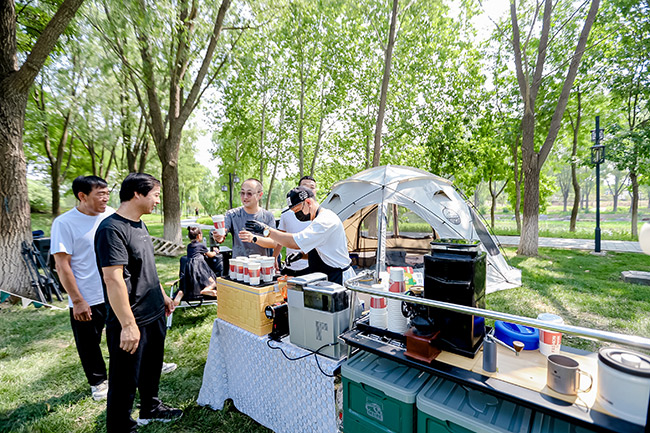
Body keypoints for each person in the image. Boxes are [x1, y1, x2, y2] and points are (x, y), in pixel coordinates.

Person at [94, 173, 182, 432]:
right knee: (123, 381)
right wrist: (128, 325)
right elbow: (113, 279)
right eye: (155, 194)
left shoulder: (139, 224)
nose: (157, 200)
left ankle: (150, 407)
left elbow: (146, 269)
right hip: (131, 319)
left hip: (154, 312)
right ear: (137, 194)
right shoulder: (111, 229)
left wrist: (163, 297)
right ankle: (121, 427)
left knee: (152, 368)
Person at [51, 175, 113, 401]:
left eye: (107, 193)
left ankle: (142, 365)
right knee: (89, 343)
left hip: (114, 290)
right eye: (100, 194)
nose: (106, 198)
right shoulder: (64, 223)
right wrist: (77, 300)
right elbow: (61, 264)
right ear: (82, 196)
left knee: (127, 331)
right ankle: (98, 382)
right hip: (86, 295)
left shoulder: (111, 214)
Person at [243, 186, 355, 285]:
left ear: (308, 202)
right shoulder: (319, 219)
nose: (297, 215)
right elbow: (324, 251)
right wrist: (301, 255)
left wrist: (266, 230)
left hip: (338, 279)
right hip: (328, 277)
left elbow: (294, 242)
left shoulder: (324, 221)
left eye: (298, 210)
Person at [212, 178, 276, 257]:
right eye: (242, 193)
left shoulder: (268, 216)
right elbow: (223, 233)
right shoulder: (232, 215)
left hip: (260, 266)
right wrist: (219, 237)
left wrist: (254, 238)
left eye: (249, 193)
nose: (245, 197)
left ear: (260, 195)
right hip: (238, 266)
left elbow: (274, 243)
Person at [272, 176, 316, 276]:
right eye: (305, 186)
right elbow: (281, 236)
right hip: (290, 265)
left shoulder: (321, 215)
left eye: (312, 187)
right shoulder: (286, 212)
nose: (309, 189)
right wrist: (274, 257)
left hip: (311, 267)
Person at [172, 226, 218, 306]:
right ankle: (206, 290)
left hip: (189, 268)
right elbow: (210, 255)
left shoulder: (189, 246)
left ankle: (181, 292)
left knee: (188, 284)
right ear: (198, 236)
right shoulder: (201, 245)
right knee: (213, 282)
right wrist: (215, 251)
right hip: (200, 267)